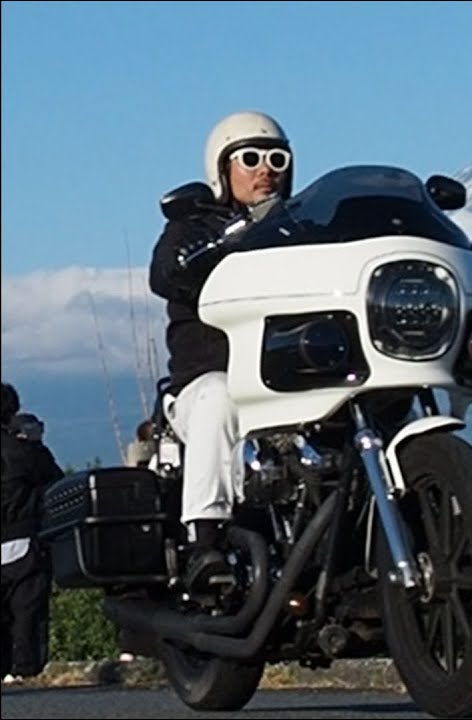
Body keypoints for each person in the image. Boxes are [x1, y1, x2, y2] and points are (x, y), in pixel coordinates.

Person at [148, 111, 295, 592]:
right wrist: (213, 247)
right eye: (250, 158)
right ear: (221, 168)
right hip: (206, 384)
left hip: (287, 384)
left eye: (276, 159)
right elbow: (165, 273)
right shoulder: (192, 227)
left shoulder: (301, 229)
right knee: (219, 394)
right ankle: (204, 540)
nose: (265, 170)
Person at [1, 384, 62, 685]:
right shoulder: (24, 451)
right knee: (27, 607)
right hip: (22, 537)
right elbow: (55, 483)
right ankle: (24, 669)